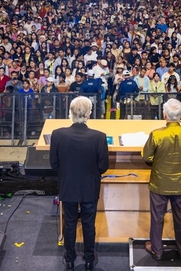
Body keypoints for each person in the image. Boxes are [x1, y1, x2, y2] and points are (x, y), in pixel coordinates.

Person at [49, 96, 109, 270]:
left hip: (68, 186)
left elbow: (54, 164)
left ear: (70, 113)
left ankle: (69, 258)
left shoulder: (58, 134)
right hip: (90, 187)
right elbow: (103, 167)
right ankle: (89, 259)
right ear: (89, 114)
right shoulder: (99, 137)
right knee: (89, 223)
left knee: (70, 222)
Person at [141, 98, 181, 261]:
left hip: (159, 182)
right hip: (180, 183)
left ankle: (157, 249)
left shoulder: (157, 134)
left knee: (157, 217)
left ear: (164, 115)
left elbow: (147, 156)